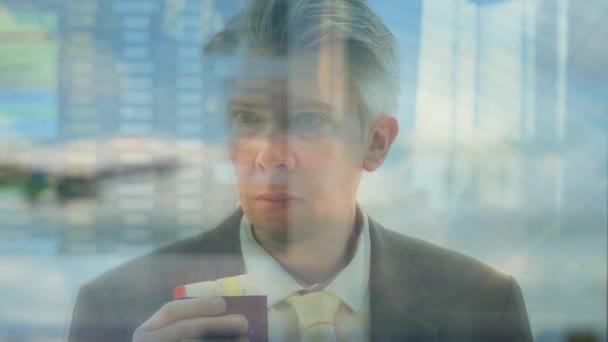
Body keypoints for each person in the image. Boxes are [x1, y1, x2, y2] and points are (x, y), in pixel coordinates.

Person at [69, 0, 533, 341]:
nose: (269, 154)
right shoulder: (115, 310)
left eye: (309, 119)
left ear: (375, 143)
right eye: (246, 118)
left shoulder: (485, 307)